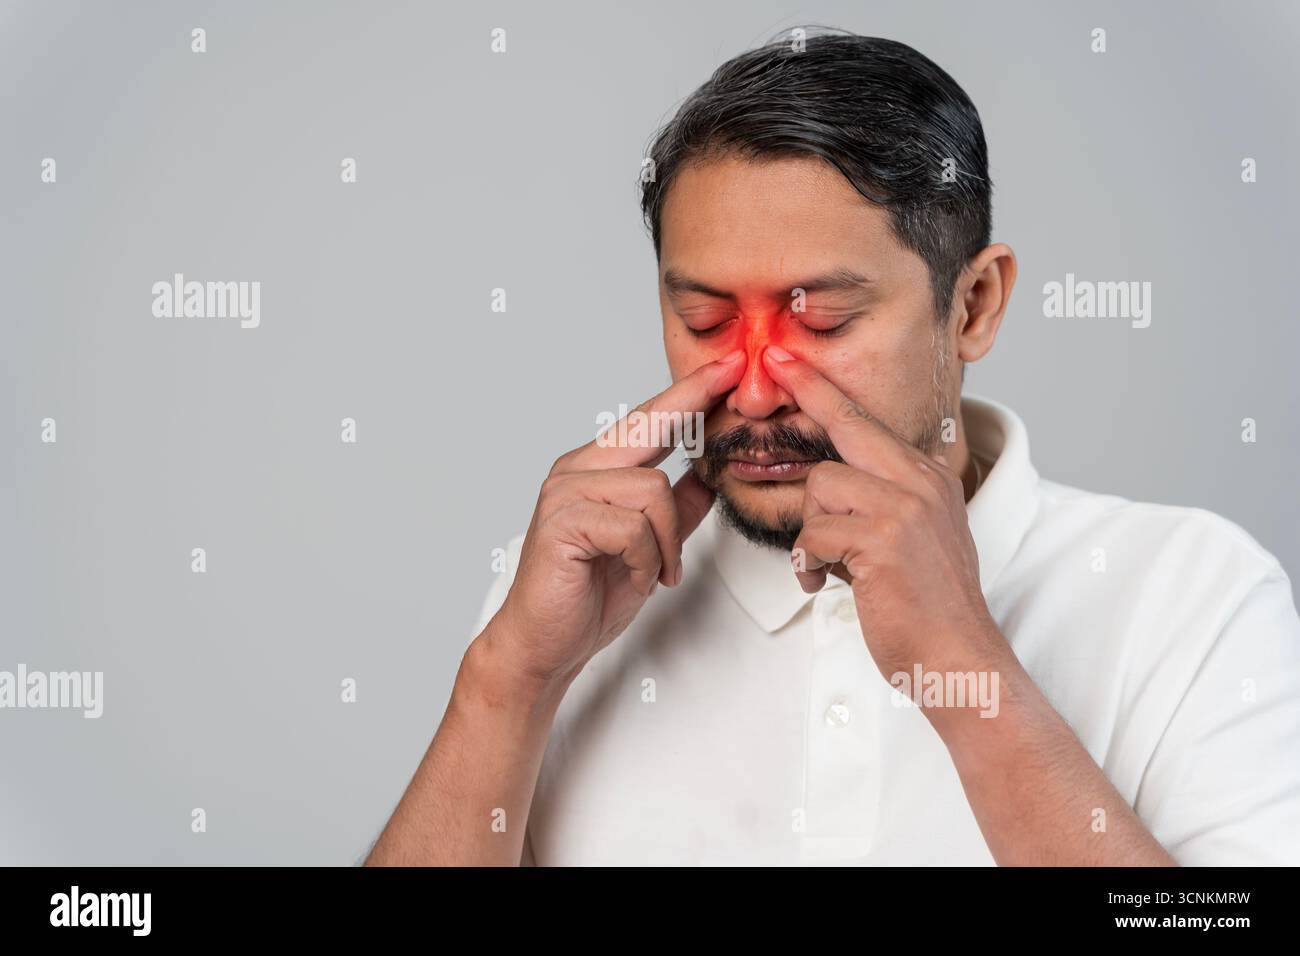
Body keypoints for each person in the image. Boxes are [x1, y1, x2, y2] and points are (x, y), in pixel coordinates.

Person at [366, 30, 1300, 866]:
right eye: (704, 319)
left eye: (824, 321)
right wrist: (507, 681)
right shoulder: (564, 608)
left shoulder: (1196, 595)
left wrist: (967, 668)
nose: (758, 385)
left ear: (972, 306)